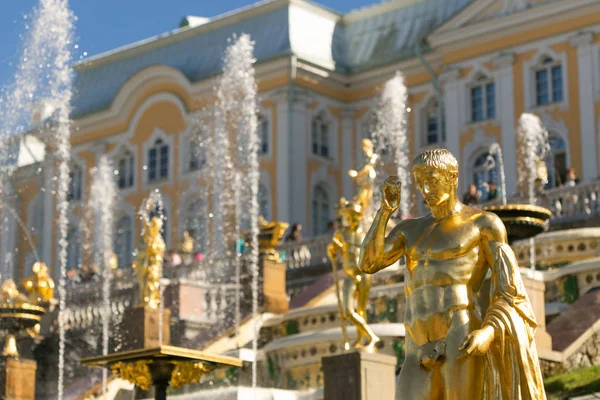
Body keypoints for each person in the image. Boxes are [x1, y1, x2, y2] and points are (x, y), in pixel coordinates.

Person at [359, 149, 546, 399]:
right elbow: (368, 263)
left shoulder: (483, 224)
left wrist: (489, 331)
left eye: (433, 181)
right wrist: (384, 212)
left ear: (453, 177)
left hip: (460, 334)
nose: (426, 190)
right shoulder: (409, 230)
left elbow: (510, 290)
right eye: (421, 183)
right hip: (416, 342)